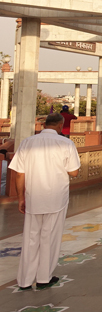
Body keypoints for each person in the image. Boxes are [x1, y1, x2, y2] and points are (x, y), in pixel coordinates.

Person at [9, 113, 80, 290]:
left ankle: (25, 281)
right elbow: (74, 172)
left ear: (44, 124)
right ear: (60, 125)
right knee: (50, 237)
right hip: (56, 198)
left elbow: (19, 173)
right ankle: (43, 278)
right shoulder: (66, 143)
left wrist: (20, 198)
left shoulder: (27, 143)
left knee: (31, 237)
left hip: (33, 197)